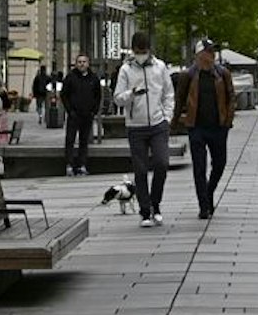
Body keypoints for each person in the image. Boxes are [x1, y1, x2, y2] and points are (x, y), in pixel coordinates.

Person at [114, 30, 175, 227]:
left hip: (158, 124)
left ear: (149, 50)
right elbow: (118, 98)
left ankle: (156, 204)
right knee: (140, 170)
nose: (141, 54)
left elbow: (168, 93)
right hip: (136, 126)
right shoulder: (126, 70)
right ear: (133, 50)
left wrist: (167, 117)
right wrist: (131, 93)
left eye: (144, 51)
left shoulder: (160, 67)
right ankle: (145, 211)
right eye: (138, 51)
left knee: (161, 163)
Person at [174, 39, 236, 219]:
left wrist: (228, 119)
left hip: (218, 126)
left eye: (213, 52)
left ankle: (209, 193)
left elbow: (231, 96)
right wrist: (174, 122)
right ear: (199, 55)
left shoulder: (222, 73)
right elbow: (180, 100)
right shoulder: (188, 75)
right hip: (197, 127)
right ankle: (203, 205)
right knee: (199, 167)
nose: (212, 55)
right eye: (208, 52)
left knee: (220, 163)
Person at [60, 54, 102, 175]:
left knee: (84, 141)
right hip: (74, 115)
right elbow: (64, 95)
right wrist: (70, 111)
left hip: (87, 115)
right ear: (76, 63)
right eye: (79, 62)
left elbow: (97, 96)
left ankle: (82, 164)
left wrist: (94, 111)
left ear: (88, 63)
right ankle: (69, 165)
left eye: (84, 61)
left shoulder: (93, 78)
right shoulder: (70, 77)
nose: (82, 64)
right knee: (70, 140)